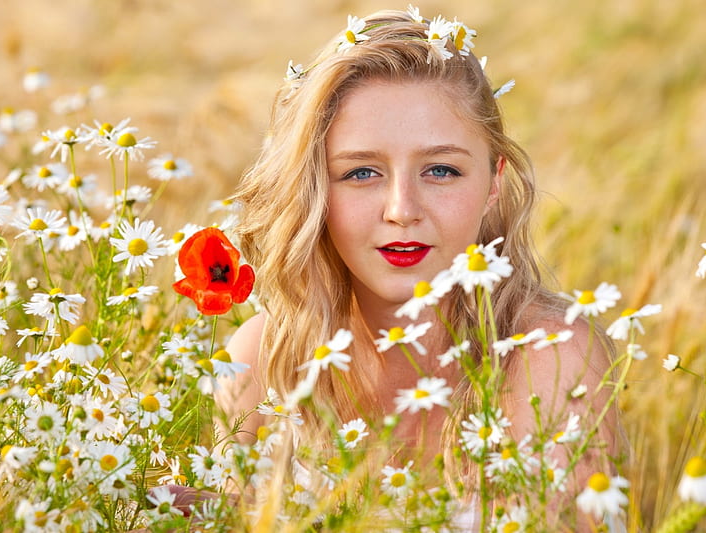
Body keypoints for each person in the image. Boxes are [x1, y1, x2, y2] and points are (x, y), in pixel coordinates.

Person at [212, 7, 620, 530]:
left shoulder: (553, 362)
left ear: (493, 181)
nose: (402, 209)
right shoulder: (262, 363)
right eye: (361, 172)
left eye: (441, 170)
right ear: (313, 186)